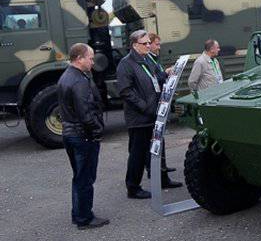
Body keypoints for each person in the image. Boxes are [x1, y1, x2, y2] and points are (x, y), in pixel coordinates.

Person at [117, 30, 182, 199]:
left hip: (153, 114)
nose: (148, 45)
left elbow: (157, 77)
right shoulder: (126, 64)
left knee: (156, 151)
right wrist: (145, 107)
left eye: (148, 43)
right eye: (144, 43)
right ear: (134, 45)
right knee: (138, 154)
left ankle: (162, 178)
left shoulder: (146, 60)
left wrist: (167, 74)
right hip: (140, 118)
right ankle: (133, 187)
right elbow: (125, 91)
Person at [57, 43, 109, 229]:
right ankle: (85, 218)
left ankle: (78, 214)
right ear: (79, 58)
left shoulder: (67, 76)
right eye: (90, 58)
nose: (92, 62)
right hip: (82, 136)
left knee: (79, 177)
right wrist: (97, 132)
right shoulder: (79, 81)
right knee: (85, 178)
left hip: (71, 134)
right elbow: (86, 112)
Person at [146, 32, 175, 175]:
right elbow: (155, 78)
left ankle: (162, 166)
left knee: (159, 137)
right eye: (156, 44)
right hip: (154, 103)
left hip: (158, 102)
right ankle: (158, 169)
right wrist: (165, 73)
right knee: (155, 139)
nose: (159, 47)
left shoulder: (153, 59)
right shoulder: (149, 60)